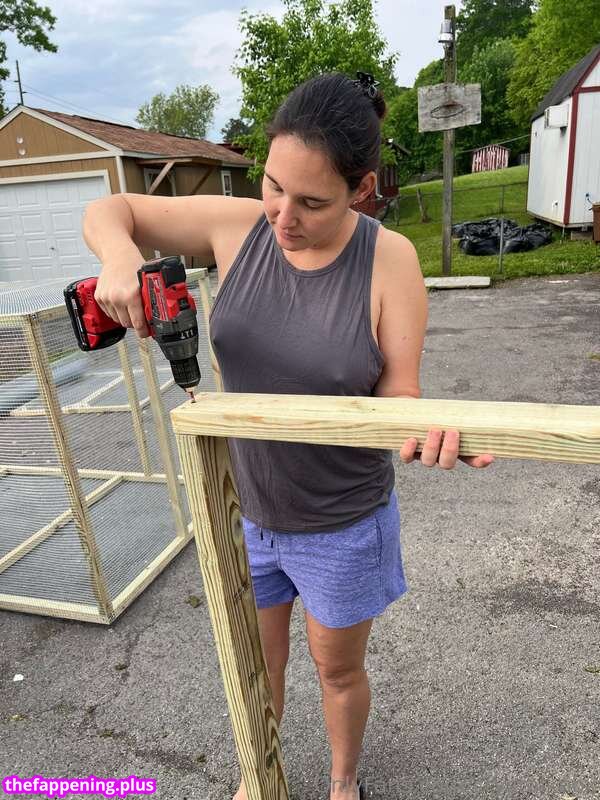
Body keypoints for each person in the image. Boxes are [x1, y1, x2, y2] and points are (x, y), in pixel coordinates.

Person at [83, 70, 494, 800]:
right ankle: (260, 775)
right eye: (274, 186)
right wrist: (119, 258)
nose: (283, 215)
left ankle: (343, 783)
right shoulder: (238, 226)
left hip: (342, 523)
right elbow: (110, 207)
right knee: (255, 665)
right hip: (246, 513)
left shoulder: (389, 259)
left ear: (361, 189)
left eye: (312, 202)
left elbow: (400, 392)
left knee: (337, 669)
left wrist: (426, 430)